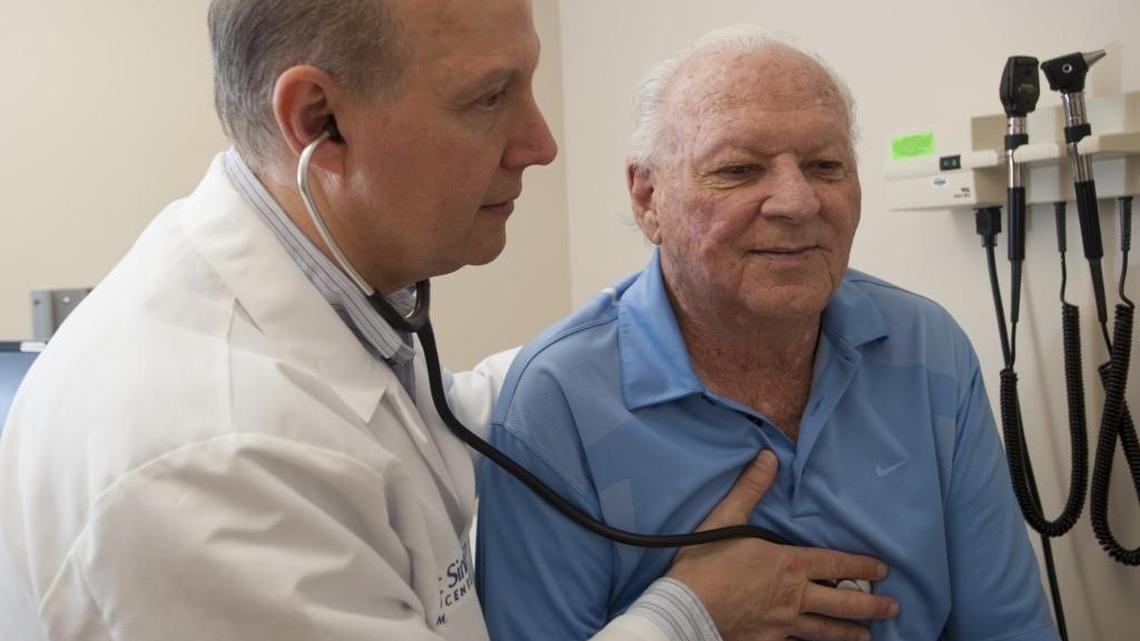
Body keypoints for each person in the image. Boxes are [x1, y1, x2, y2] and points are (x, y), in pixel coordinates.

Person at [0, 3, 897, 641]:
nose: (541, 141)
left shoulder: (313, 292)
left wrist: (651, 334)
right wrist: (687, 615)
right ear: (321, 120)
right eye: (488, 97)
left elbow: (427, 418)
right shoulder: (214, 461)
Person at [475, 25, 1061, 641]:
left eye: (825, 165)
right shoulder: (558, 401)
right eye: (739, 169)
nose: (797, 201)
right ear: (649, 198)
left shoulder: (926, 348)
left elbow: (1009, 628)